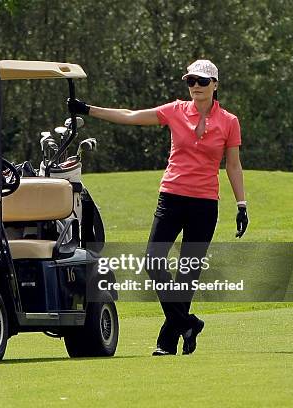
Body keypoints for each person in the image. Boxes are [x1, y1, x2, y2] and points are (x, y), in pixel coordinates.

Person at [68, 59, 248, 356]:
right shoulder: (175, 110)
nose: (195, 86)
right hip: (172, 197)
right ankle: (188, 323)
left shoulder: (229, 121)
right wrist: (88, 110)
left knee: (187, 273)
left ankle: (168, 340)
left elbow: (233, 164)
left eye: (202, 81)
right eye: (191, 80)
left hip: (205, 204)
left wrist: (241, 204)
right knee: (154, 260)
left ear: (215, 85)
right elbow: (129, 115)